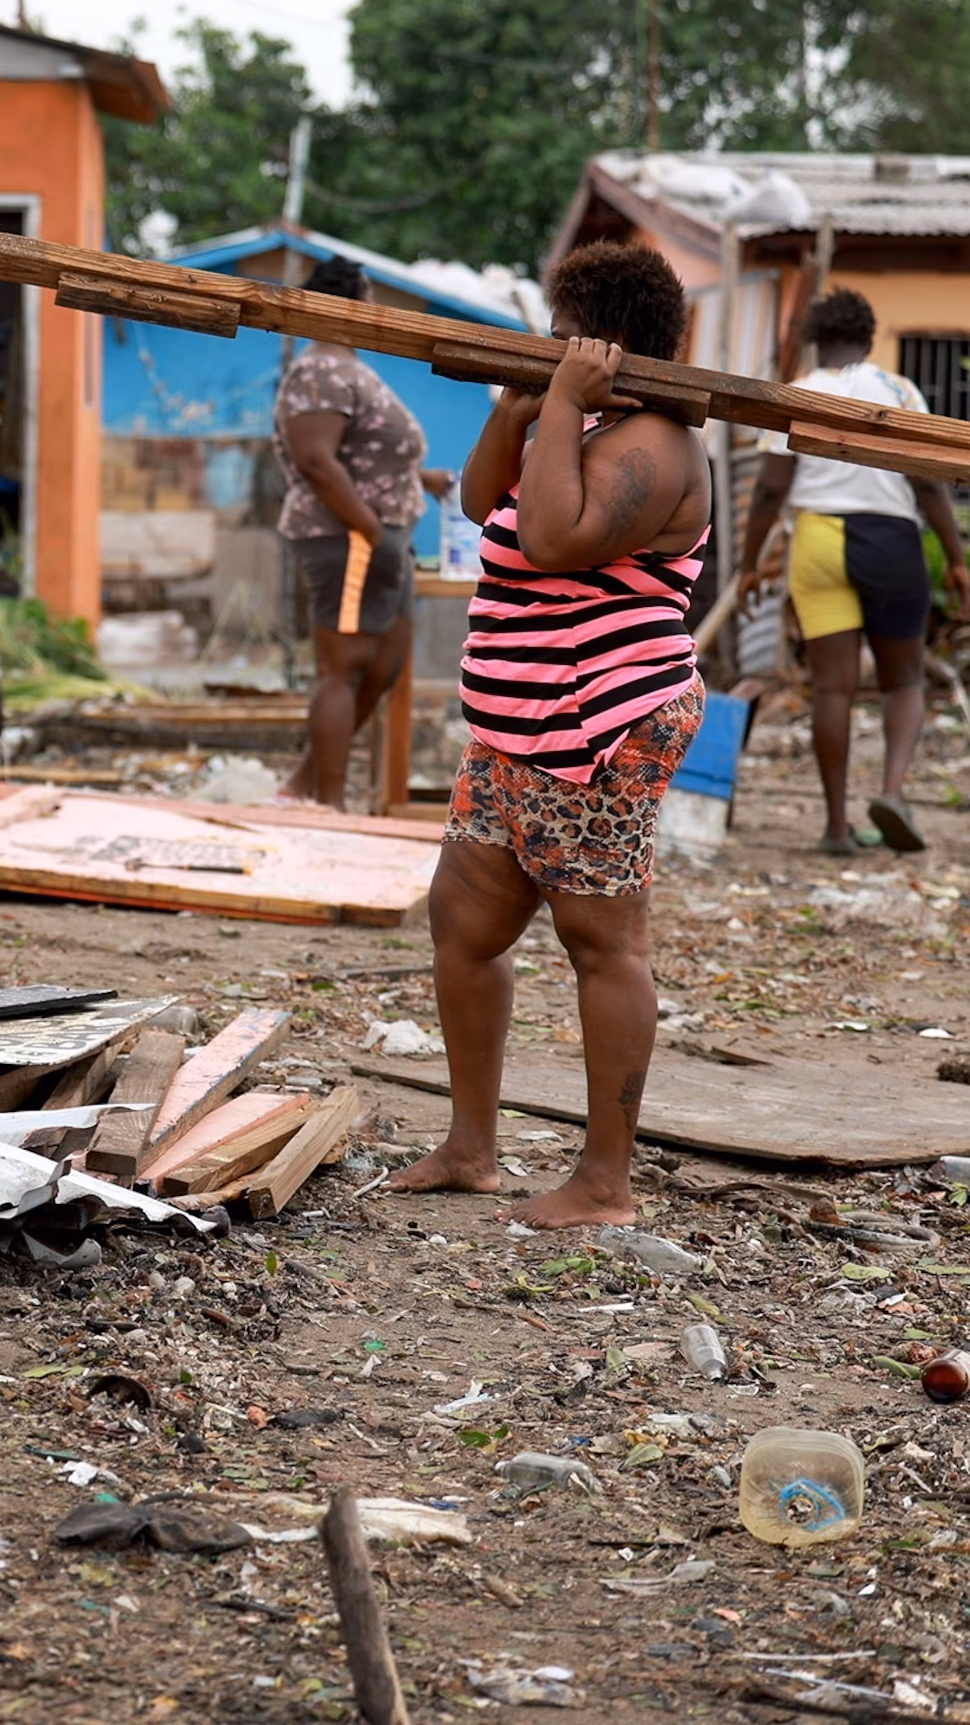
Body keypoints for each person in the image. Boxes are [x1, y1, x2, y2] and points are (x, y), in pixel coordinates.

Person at [387, 241, 710, 1229]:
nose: (548, 342)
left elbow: (556, 538)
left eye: (564, 329)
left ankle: (605, 1181)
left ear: (605, 342)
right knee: (465, 926)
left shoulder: (655, 443)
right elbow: (487, 503)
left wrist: (564, 405)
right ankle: (471, 1147)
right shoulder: (581, 422)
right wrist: (519, 406)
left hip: (605, 725)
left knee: (600, 940)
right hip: (515, 727)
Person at [731, 288, 970, 855]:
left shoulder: (797, 393)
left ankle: (837, 827)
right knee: (904, 679)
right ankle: (891, 791)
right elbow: (928, 481)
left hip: (817, 538)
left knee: (833, 689)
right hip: (891, 537)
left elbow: (769, 487)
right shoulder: (898, 391)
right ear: (868, 340)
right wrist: (956, 558)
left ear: (816, 343)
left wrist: (748, 565)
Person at [272, 256, 453, 805]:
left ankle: (305, 784)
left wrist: (419, 478)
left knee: (386, 661)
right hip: (347, 536)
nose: (374, 312)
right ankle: (328, 804)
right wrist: (370, 528)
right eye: (368, 299)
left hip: (381, 535)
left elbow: (364, 453)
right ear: (347, 303)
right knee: (344, 668)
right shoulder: (320, 370)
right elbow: (317, 462)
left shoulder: (346, 368)